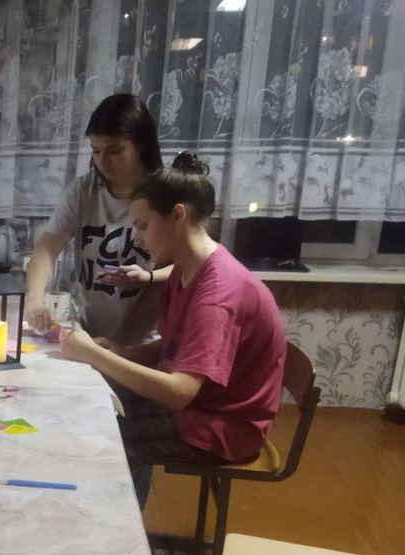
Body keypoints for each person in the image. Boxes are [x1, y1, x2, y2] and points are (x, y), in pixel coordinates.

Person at [59, 152, 287, 507]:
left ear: (178, 216)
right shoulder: (187, 268)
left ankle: (112, 528)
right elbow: (178, 345)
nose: (137, 240)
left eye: (142, 226)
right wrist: (123, 353)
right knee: (95, 401)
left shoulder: (218, 295)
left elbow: (180, 392)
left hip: (224, 427)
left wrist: (93, 354)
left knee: (105, 433)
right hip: (205, 406)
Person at [25, 93, 168, 345]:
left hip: (146, 344)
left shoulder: (164, 191)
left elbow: (189, 264)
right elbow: (46, 249)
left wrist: (149, 277)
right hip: (92, 334)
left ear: (141, 145)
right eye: (95, 150)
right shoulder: (84, 190)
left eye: (115, 150)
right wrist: (35, 300)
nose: (103, 161)